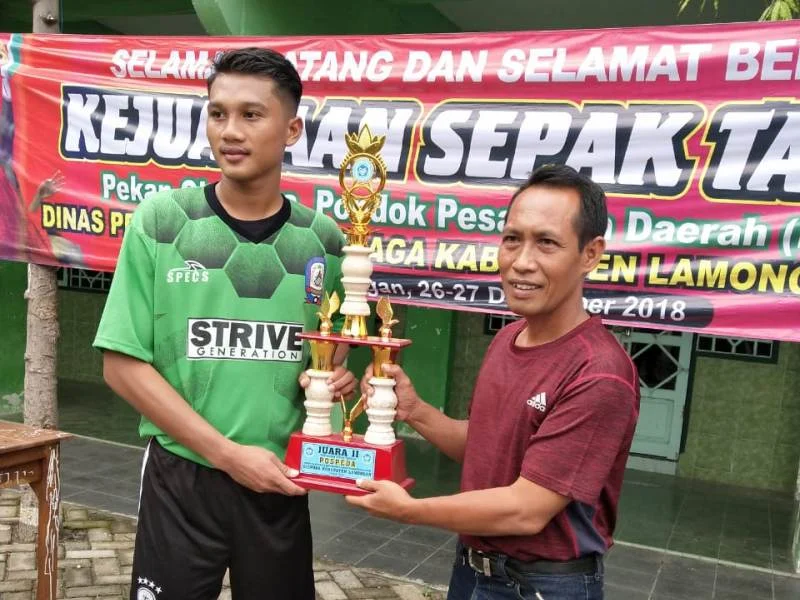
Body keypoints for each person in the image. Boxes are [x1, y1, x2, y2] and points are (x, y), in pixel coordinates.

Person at [94, 48, 355, 600]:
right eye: (217, 113)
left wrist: (330, 381)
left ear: (291, 130)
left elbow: (327, 356)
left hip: (279, 480)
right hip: (183, 478)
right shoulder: (162, 222)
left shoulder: (326, 242)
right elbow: (121, 364)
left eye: (251, 115)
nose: (229, 131)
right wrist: (226, 455)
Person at [347, 164, 640, 600]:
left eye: (546, 243)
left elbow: (526, 510)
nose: (522, 262)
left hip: (542, 585)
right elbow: (484, 446)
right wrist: (414, 410)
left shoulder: (599, 373)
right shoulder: (508, 337)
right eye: (512, 239)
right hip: (472, 570)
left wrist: (410, 511)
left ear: (590, 254)